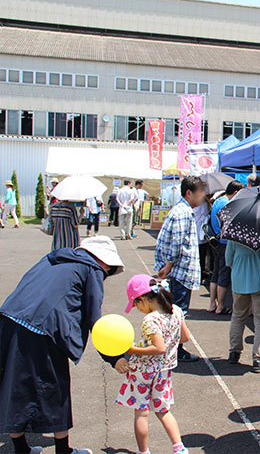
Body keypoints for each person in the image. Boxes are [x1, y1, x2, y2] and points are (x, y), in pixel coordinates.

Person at [0, 236, 126, 454]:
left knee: (13, 387)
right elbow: (95, 320)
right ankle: (63, 450)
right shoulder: (92, 269)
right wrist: (115, 358)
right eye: (109, 269)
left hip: (9, 319)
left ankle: (20, 448)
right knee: (56, 390)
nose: (106, 273)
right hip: (43, 329)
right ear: (104, 261)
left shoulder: (54, 258)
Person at [116, 275, 190, 454]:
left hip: (143, 371)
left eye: (136, 304)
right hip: (164, 371)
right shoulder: (176, 311)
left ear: (142, 299)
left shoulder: (151, 320)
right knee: (163, 410)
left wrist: (132, 350)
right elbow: (185, 338)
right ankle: (179, 447)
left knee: (142, 412)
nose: (137, 308)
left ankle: (143, 452)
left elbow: (158, 348)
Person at [154, 175, 207, 363]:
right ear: (189, 193)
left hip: (177, 271)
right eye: (200, 193)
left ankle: (172, 347)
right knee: (177, 313)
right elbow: (177, 244)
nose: (202, 197)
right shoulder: (183, 213)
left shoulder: (181, 210)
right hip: (179, 272)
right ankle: (175, 349)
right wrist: (167, 267)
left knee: (172, 311)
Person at [225, 236, 260, 373]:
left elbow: (228, 259)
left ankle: (234, 352)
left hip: (238, 280)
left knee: (237, 316)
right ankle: (259, 357)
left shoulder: (234, 234)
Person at [210, 181, 244, 314]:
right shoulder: (228, 204)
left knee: (215, 273)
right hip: (225, 243)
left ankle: (213, 303)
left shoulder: (218, 201)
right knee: (223, 274)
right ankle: (221, 306)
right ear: (236, 193)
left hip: (215, 241)